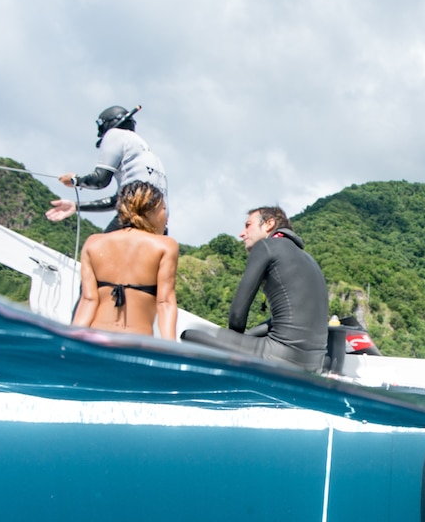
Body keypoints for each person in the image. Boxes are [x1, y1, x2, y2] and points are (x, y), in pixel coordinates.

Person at [179, 206, 329, 371]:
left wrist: (235, 342)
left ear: (269, 224)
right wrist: (250, 335)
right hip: (314, 365)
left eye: (248, 225)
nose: (242, 233)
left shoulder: (266, 246)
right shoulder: (310, 260)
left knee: (189, 334)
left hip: (279, 357)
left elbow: (237, 318)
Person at [72, 181, 179, 339]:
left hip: (94, 340)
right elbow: (165, 303)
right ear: (150, 210)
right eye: (164, 209)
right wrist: (171, 350)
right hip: (134, 346)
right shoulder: (165, 246)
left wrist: (70, 341)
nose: (167, 218)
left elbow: (88, 300)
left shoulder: (93, 243)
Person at [46, 105, 169, 233]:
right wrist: (75, 206)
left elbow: (100, 180)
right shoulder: (147, 154)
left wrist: (75, 180)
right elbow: (116, 201)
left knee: (97, 250)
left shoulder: (116, 135)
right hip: (161, 224)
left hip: (134, 217)